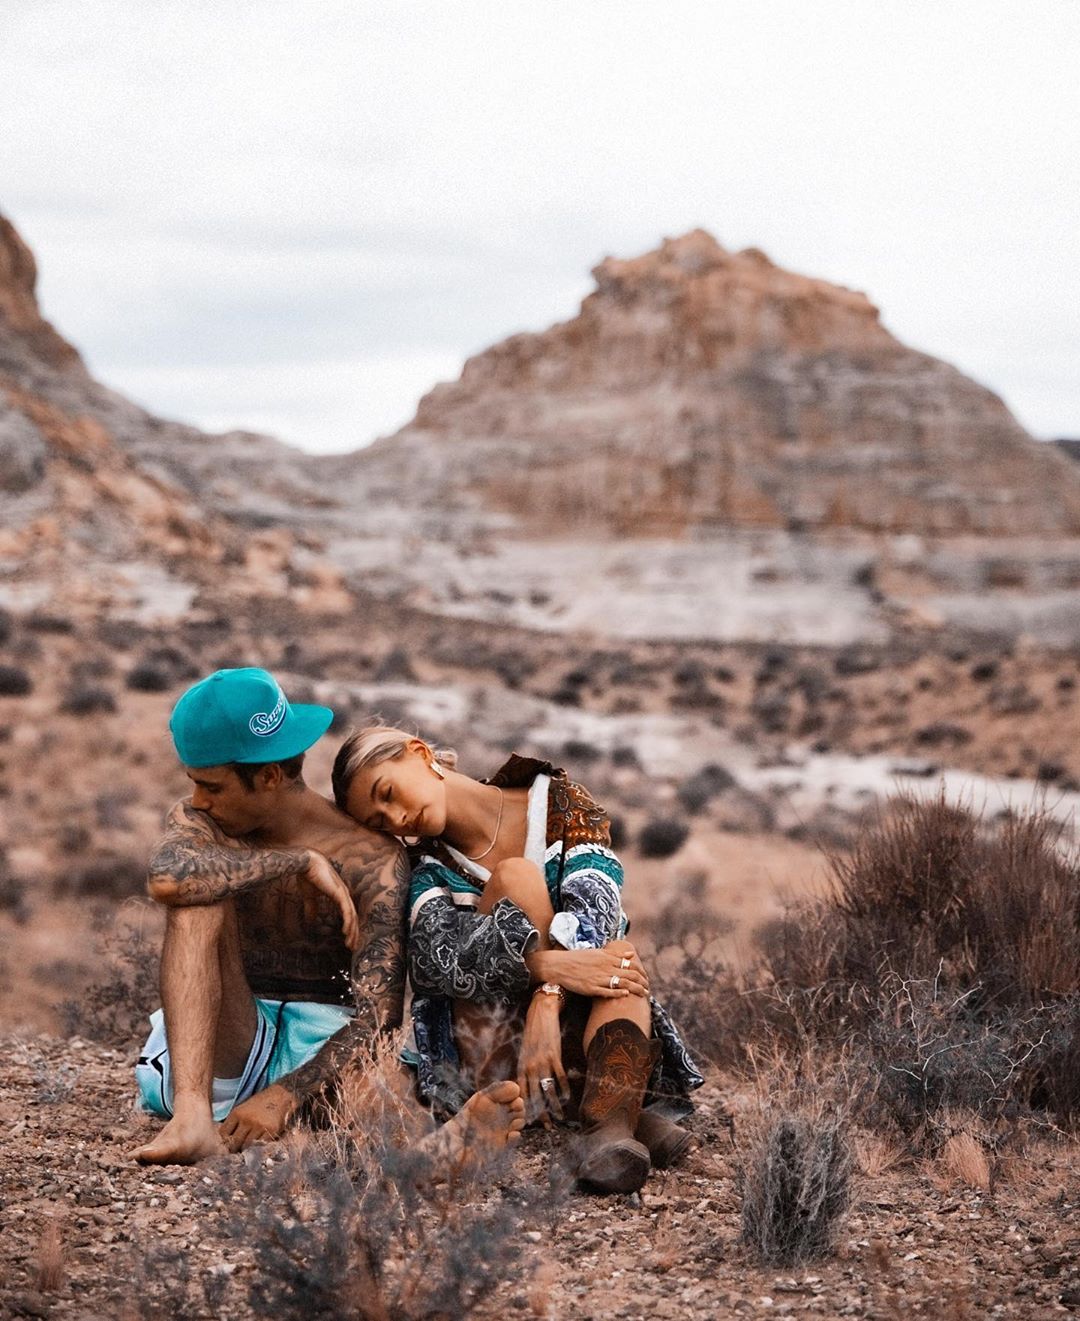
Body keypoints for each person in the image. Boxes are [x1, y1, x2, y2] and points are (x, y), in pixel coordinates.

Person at [133, 669, 525, 1168]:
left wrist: (285, 1095)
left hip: (321, 1053)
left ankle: (433, 1158)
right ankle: (190, 1120)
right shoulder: (203, 824)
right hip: (222, 1040)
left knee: (382, 1084)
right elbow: (168, 879)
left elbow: (378, 1016)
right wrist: (298, 861)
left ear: (270, 776)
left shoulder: (371, 857)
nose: (199, 800)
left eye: (212, 786)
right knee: (197, 891)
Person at [331, 725, 704, 1195]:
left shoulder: (558, 801)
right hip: (491, 1054)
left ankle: (606, 1130)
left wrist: (549, 997)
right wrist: (546, 969)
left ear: (419, 753)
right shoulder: (425, 865)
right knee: (518, 878)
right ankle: (614, 1110)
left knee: (616, 952)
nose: (397, 817)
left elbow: (598, 899)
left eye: (387, 793)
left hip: (562, 1034)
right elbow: (435, 960)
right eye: (382, 821)